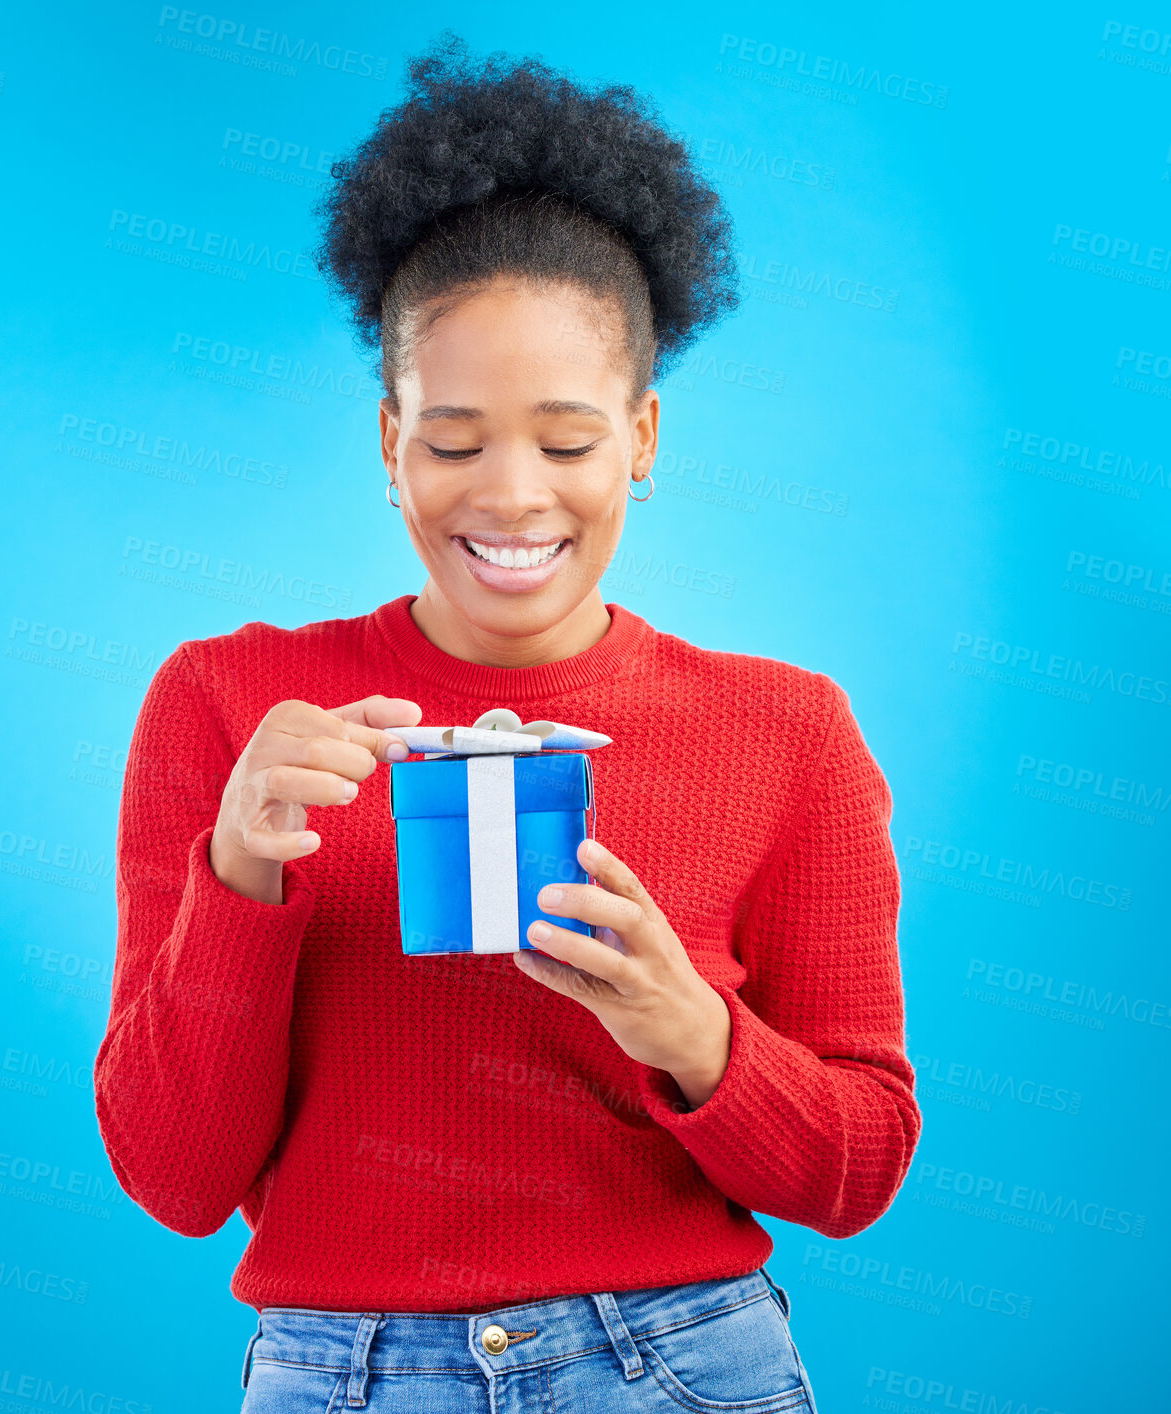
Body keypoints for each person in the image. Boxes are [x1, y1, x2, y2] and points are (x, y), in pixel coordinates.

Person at [94, 32, 920, 1413]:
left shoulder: (786, 730)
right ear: (388, 442)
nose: (513, 496)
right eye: (457, 440)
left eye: (570, 439)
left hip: (679, 1364)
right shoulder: (230, 707)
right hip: (338, 1373)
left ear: (643, 439)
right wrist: (241, 871)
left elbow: (854, 1171)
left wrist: (688, 1028)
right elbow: (176, 1179)